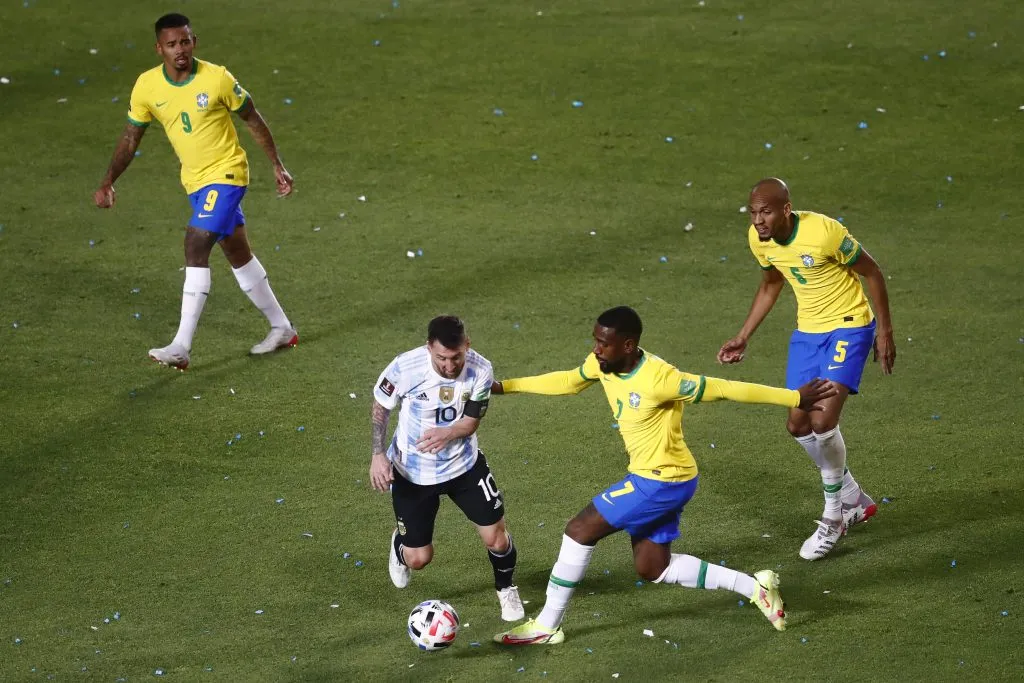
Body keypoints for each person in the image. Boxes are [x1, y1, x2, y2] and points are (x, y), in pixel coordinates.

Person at [492, 306, 836, 646]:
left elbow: (725, 388)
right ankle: (754, 587)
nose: (596, 349)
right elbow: (569, 380)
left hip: (659, 481)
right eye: (595, 341)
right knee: (653, 567)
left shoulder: (661, 379)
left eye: (603, 343)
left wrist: (793, 397)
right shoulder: (603, 364)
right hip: (669, 479)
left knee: (579, 530)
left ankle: (547, 625)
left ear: (627, 345)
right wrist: (505, 387)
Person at [94, 13, 297, 370]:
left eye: (185, 42)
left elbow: (252, 117)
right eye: (172, 44)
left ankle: (181, 346)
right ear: (159, 49)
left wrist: (276, 164)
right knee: (238, 252)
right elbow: (130, 138)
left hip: (228, 174)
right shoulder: (146, 87)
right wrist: (109, 179)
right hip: (196, 183)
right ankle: (282, 328)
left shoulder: (217, 78)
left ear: (194, 41)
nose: (180, 50)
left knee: (195, 241)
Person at [718, 178, 896, 561]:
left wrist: (885, 331)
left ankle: (834, 517)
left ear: (786, 208)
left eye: (765, 211)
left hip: (849, 324)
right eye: (753, 212)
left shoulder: (824, 232)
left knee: (821, 422)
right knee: (797, 425)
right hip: (808, 333)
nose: (758, 220)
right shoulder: (758, 239)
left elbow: (873, 272)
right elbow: (770, 284)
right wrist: (743, 335)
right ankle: (852, 497)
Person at [370, 316, 525, 622]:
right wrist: (377, 454)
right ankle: (400, 545)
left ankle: (506, 588)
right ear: (429, 348)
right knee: (419, 559)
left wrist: (448, 433)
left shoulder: (481, 369)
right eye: (441, 358)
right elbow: (381, 407)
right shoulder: (405, 367)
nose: (450, 366)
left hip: (464, 467)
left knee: (497, 537)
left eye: (456, 357)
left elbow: (470, 422)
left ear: (467, 345)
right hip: (413, 473)